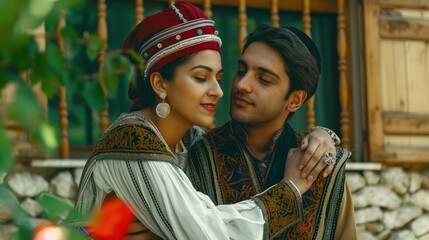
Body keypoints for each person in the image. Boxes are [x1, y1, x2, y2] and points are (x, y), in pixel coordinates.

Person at [75, 3, 328, 240]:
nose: (219, 91)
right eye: (200, 77)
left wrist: (322, 136)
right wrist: (290, 188)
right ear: (160, 83)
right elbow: (211, 233)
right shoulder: (132, 143)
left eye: (218, 77)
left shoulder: (189, 141)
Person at [187, 24, 357, 239]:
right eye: (241, 70)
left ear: (295, 100)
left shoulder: (323, 165)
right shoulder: (199, 155)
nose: (242, 85)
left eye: (264, 79)